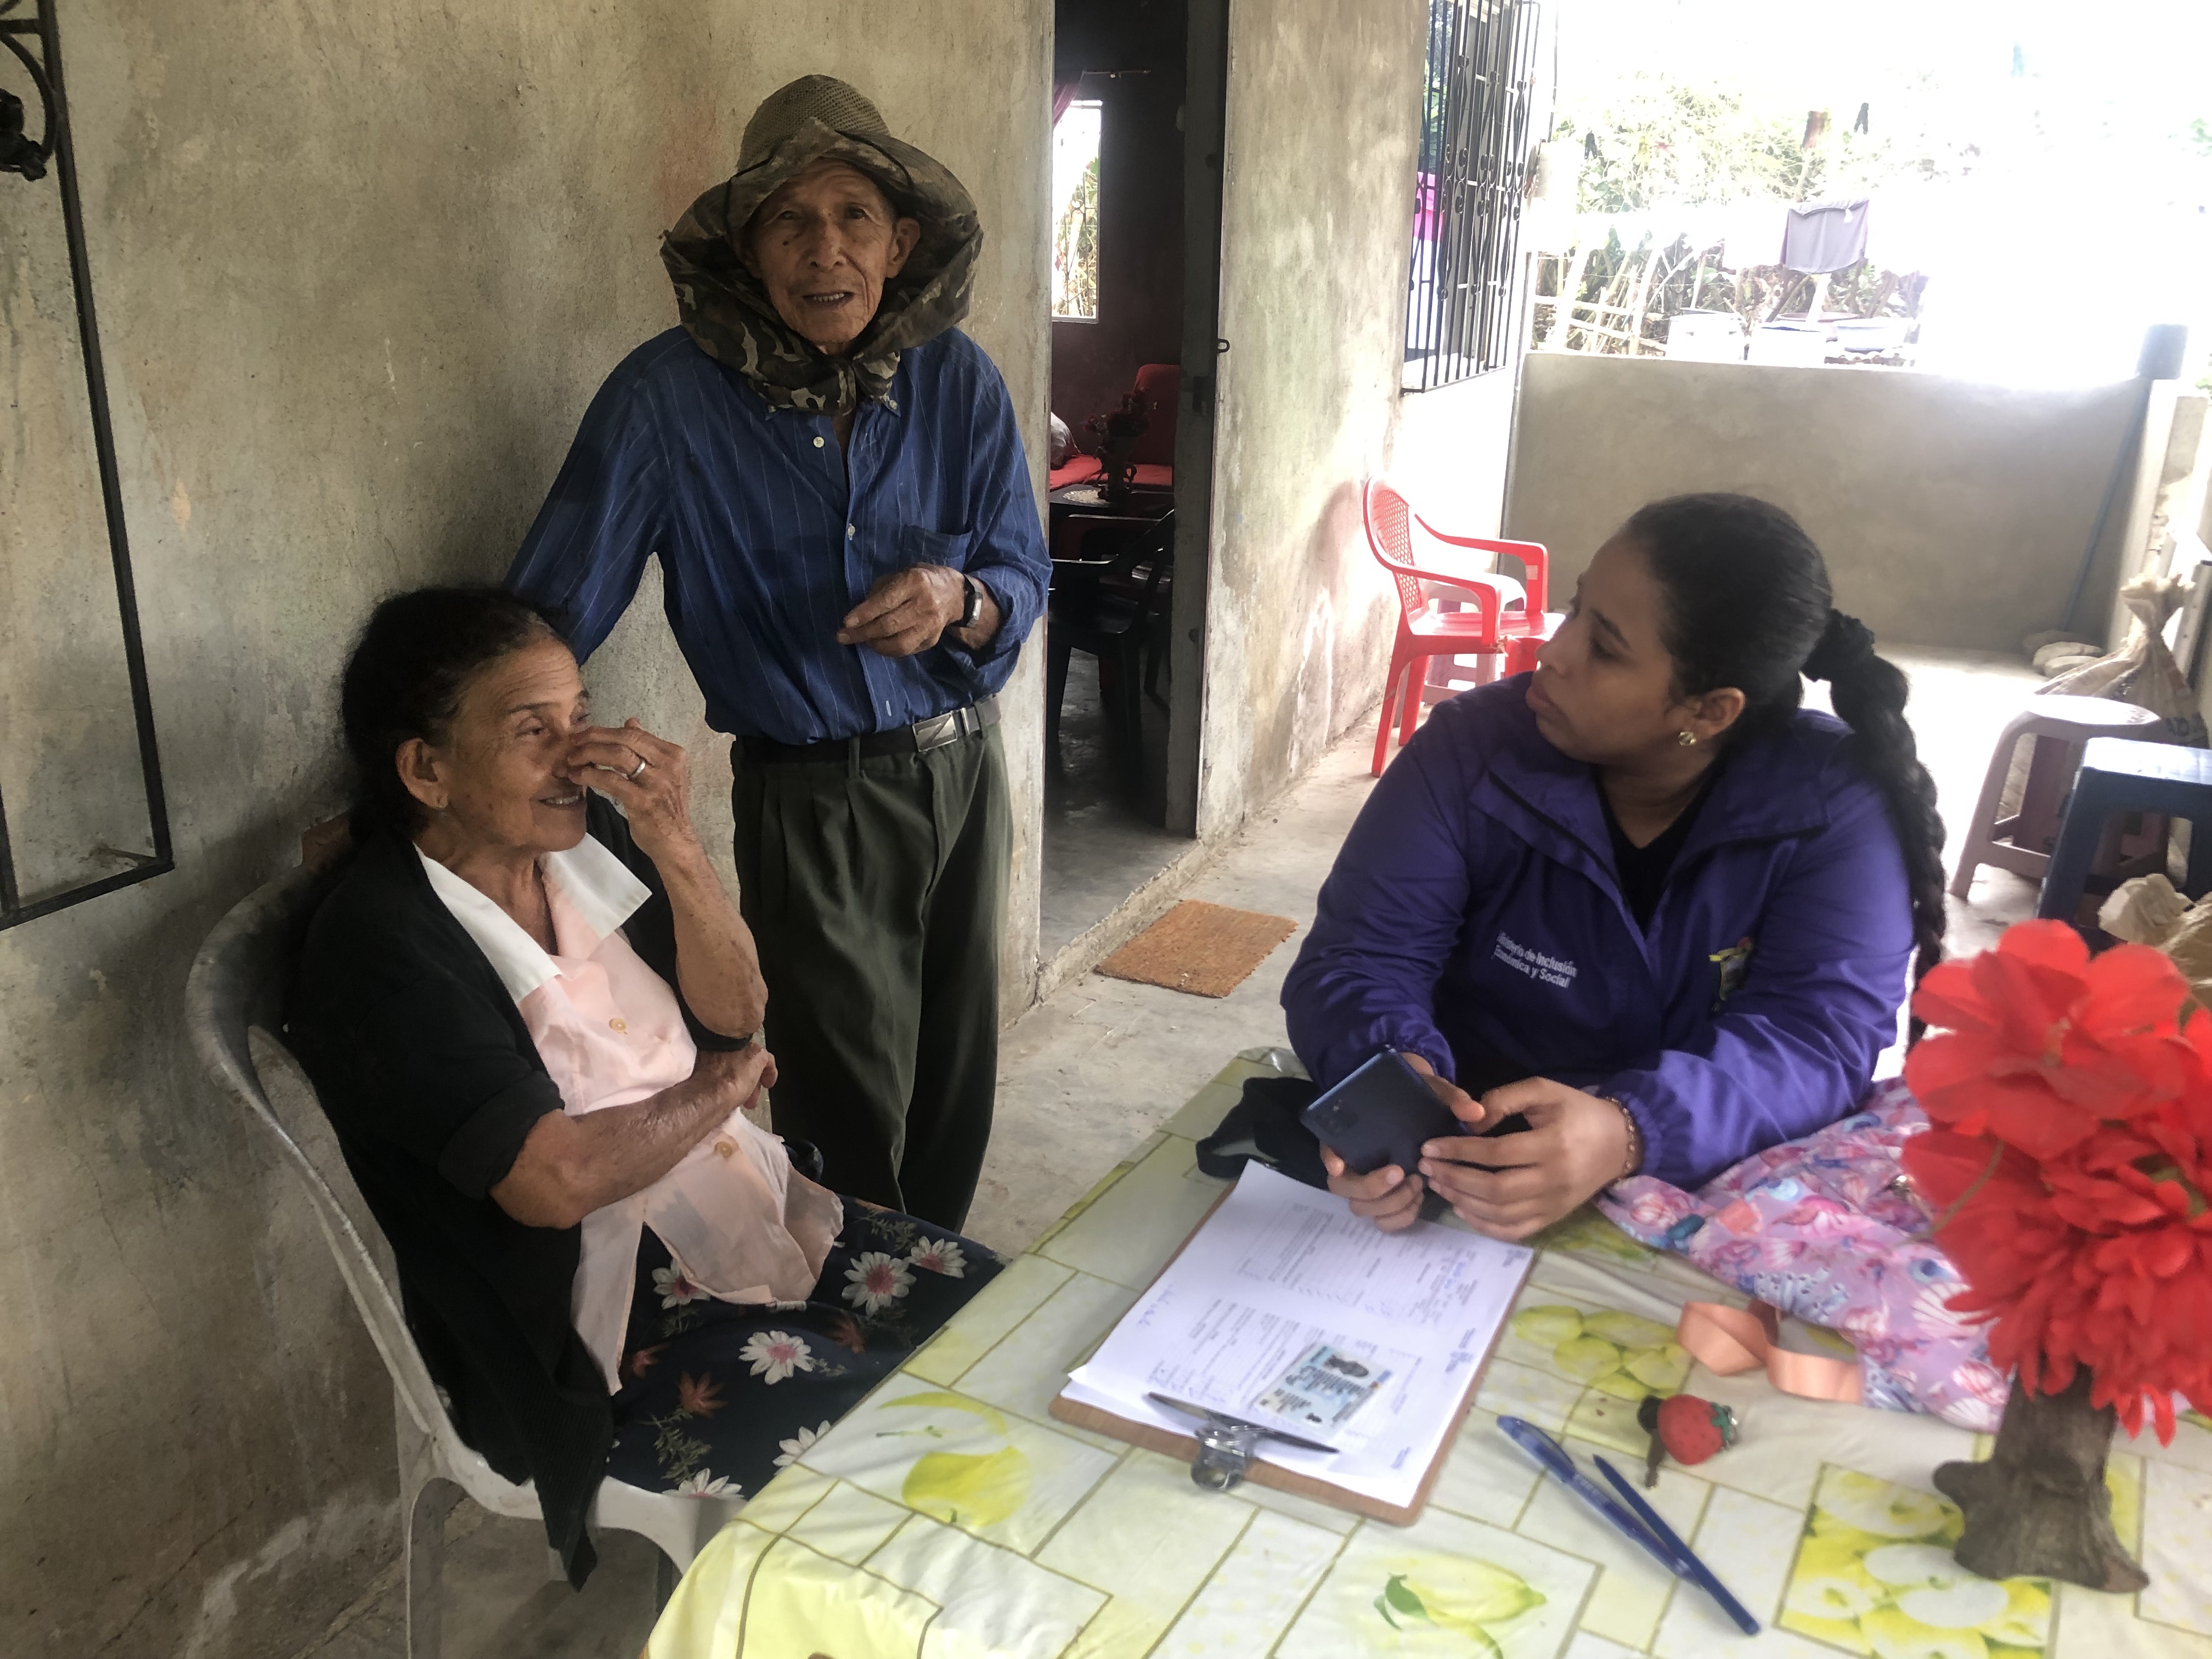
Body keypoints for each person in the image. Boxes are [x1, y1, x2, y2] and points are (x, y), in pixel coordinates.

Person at [286, 589, 1002, 1585]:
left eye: (579, 716)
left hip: (750, 1213)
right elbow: (556, 1182)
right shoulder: (384, 945)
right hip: (600, 1330)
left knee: (1012, 1326)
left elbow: (738, 1008)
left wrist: (674, 838)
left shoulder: (585, 848)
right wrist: (721, 1090)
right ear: (426, 770)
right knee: (910, 1446)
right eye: (533, 731)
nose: (577, 755)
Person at [504, 76, 1048, 1230]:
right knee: (844, 1104)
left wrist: (960, 598)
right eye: (789, 221)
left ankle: (933, 1291)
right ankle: (855, 1305)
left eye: (855, 217)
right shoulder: (666, 400)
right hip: (814, 797)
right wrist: (457, 763)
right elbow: (548, 614)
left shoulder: (958, 379)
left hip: (965, 771)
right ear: (748, 250)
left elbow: (1021, 574)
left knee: (955, 1077)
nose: (825, 249)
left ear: (901, 244)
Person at [1281, 494, 1945, 1239]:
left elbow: (1818, 1035)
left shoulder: (1831, 807)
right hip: (1473, 1156)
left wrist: (1631, 1130)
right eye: (1574, 609)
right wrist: (1394, 1080)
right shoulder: (1469, 752)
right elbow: (1363, 955)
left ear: (1708, 712)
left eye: (1605, 647)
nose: (1553, 651)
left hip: (1702, 1182)